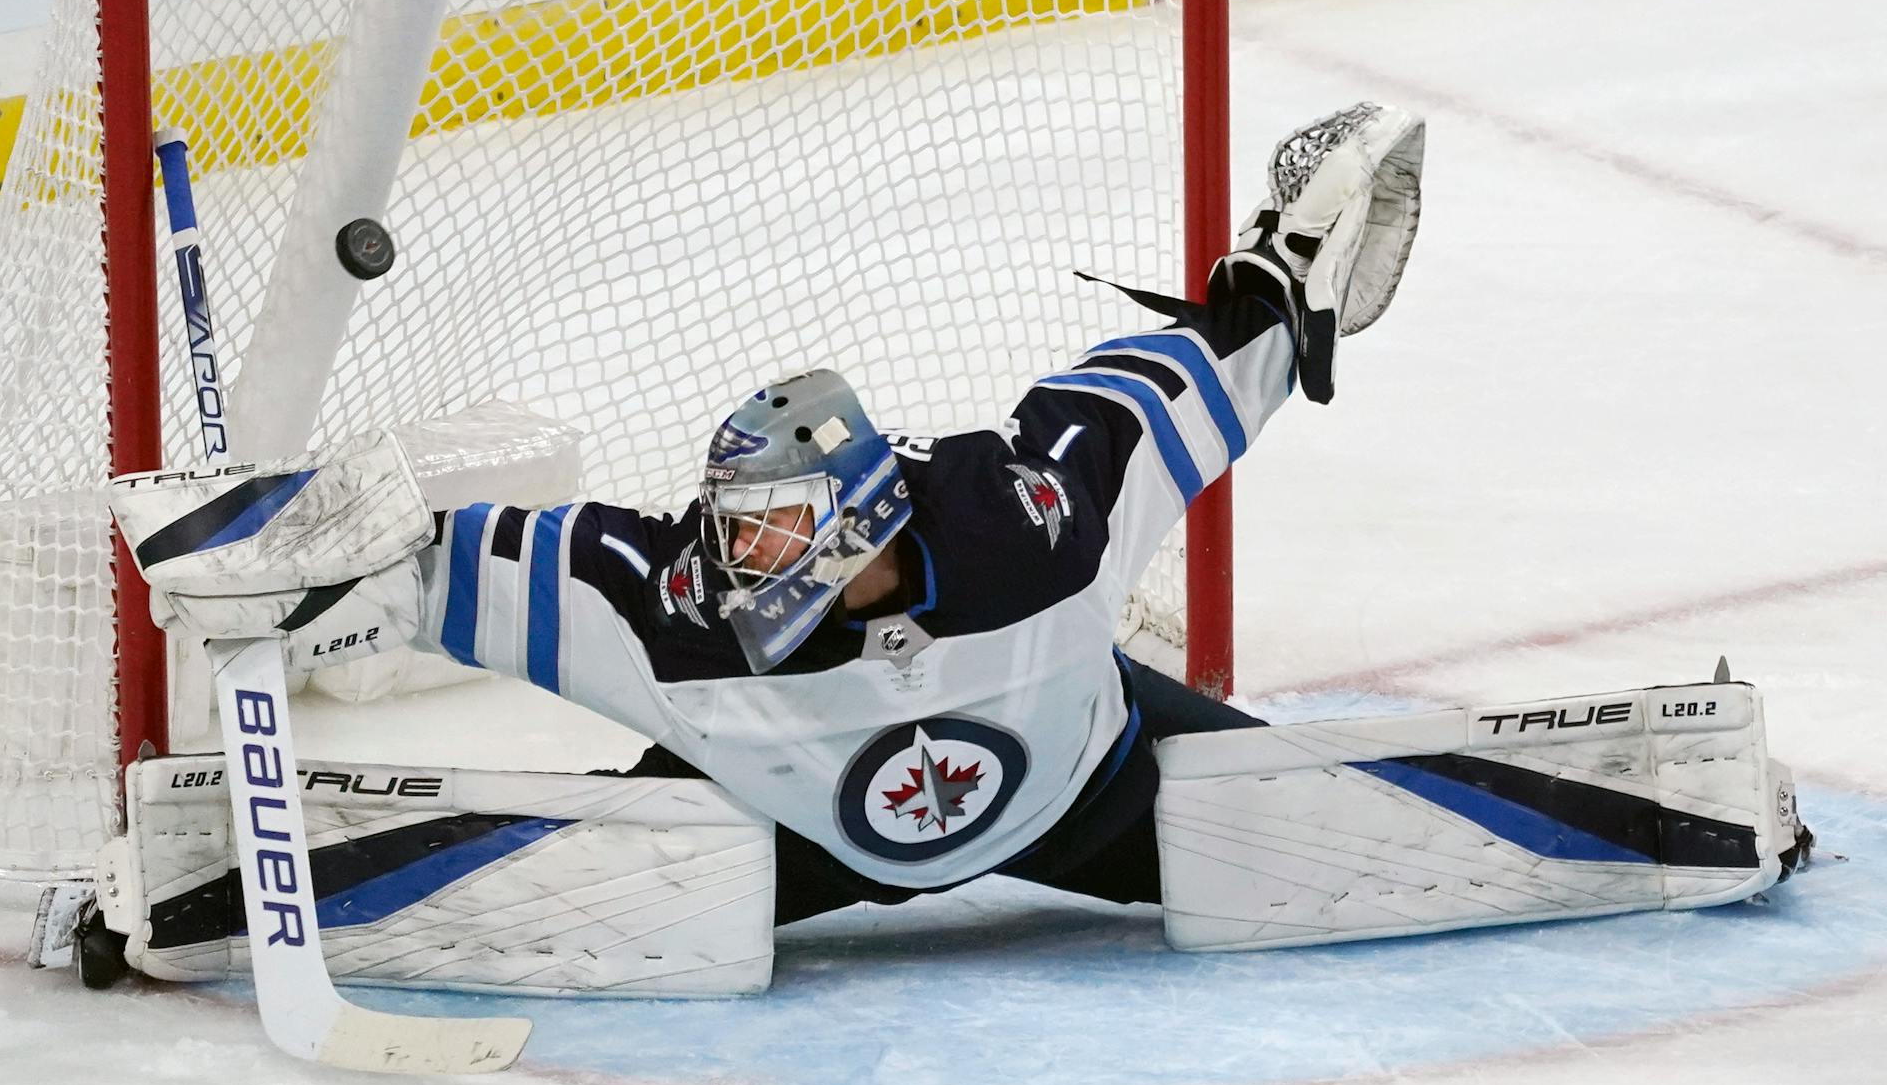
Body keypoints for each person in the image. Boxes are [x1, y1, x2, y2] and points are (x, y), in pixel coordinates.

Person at [113, 102, 1431, 934]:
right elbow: (425, 557)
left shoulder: (1028, 524)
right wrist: (272, 546)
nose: (748, 570)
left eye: (782, 541)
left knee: (1336, 835)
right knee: (613, 877)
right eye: (739, 537)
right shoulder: (672, 598)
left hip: (1095, 792)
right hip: (768, 836)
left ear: (870, 522)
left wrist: (1281, 280)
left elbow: (1181, 388)